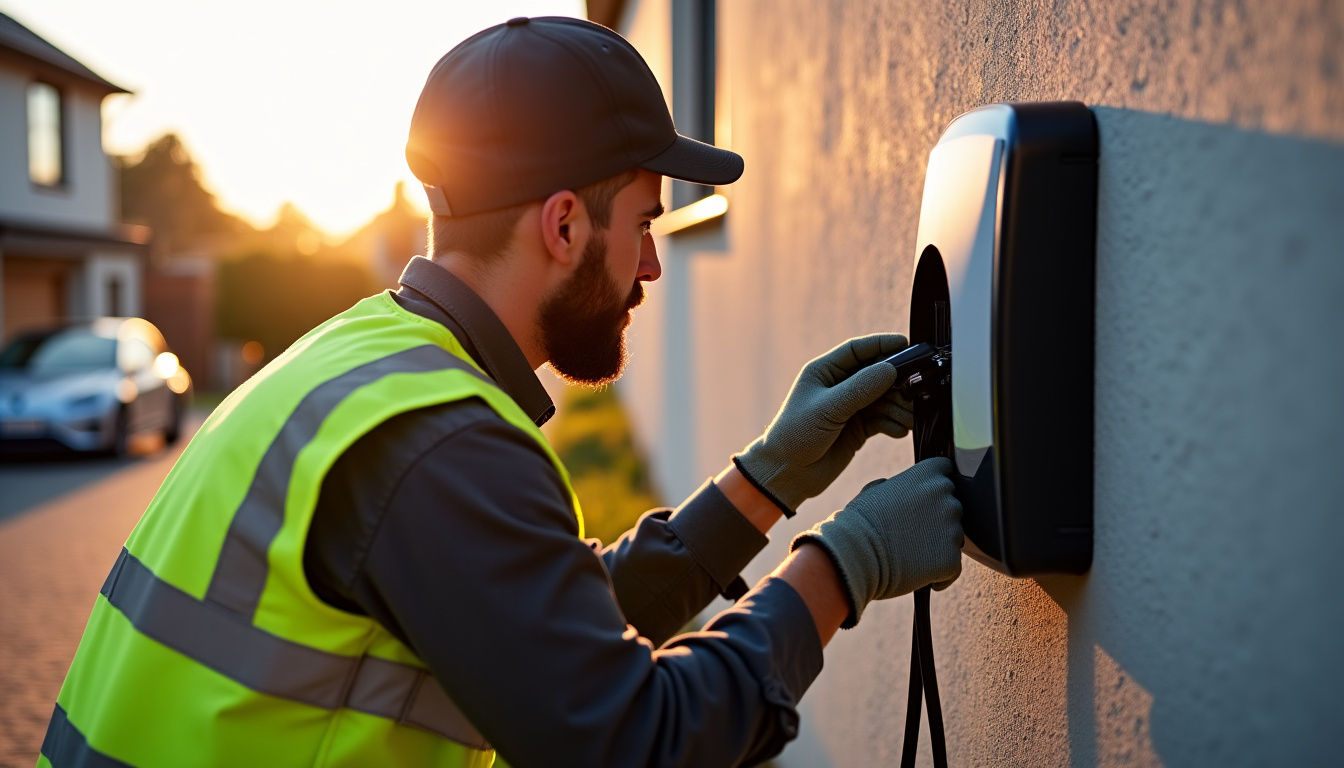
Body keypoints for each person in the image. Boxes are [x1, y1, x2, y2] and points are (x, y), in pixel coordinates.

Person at [39, 16, 963, 768]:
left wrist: (767, 477)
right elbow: (632, 738)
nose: (650, 263)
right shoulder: (440, 444)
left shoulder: (361, 360)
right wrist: (847, 565)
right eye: (643, 222)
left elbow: (540, 631)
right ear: (563, 223)